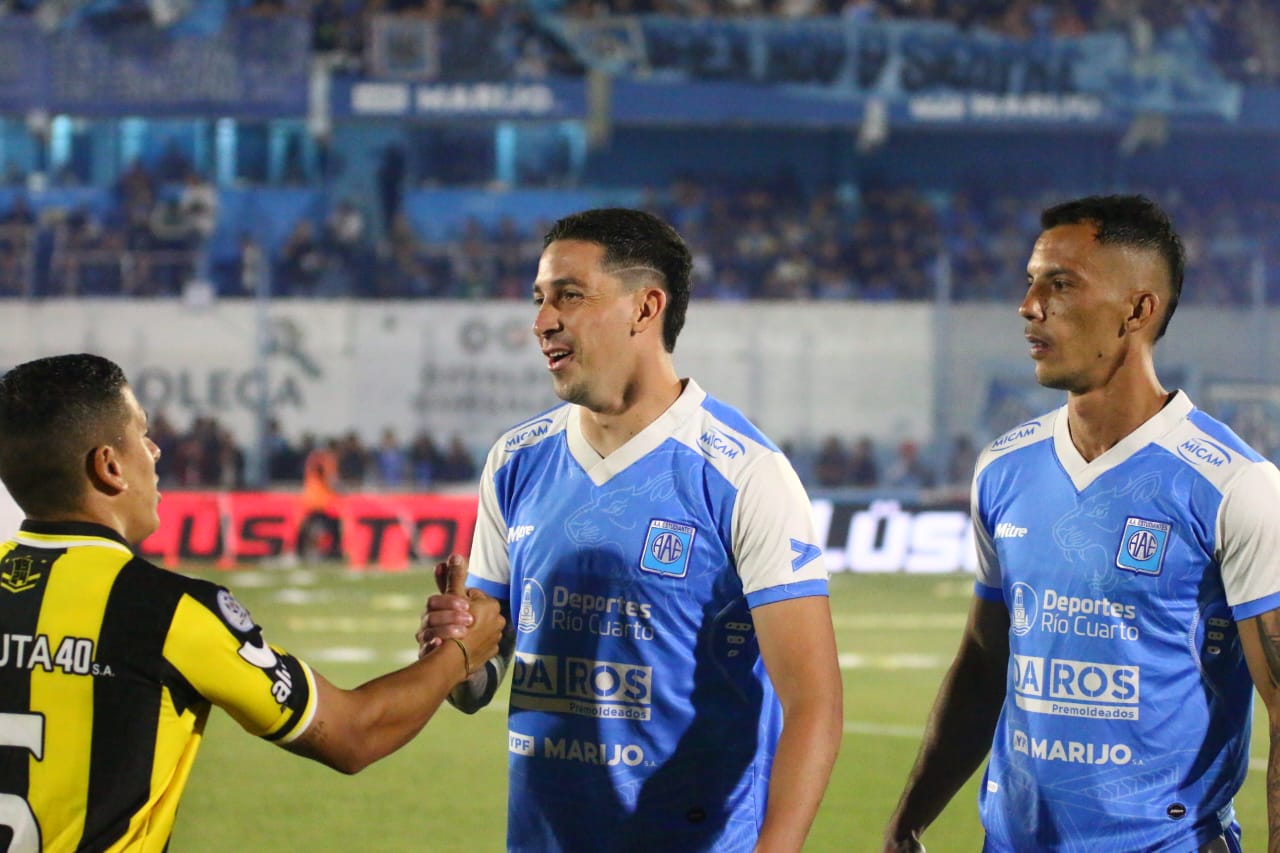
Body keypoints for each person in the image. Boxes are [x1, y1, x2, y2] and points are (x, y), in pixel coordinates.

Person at [417, 208, 843, 852]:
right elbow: (478, 681)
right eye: (539, 299)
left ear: (646, 308)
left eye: (569, 295)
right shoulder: (516, 461)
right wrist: (450, 651)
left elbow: (814, 703)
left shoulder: (744, 474)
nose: (542, 322)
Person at [883, 195, 1280, 852]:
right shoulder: (1004, 468)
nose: (1029, 304)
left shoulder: (1233, 485)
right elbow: (986, 661)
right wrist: (908, 821)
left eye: (1060, 284)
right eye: (1031, 280)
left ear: (1137, 309)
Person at [0, 353, 505, 853]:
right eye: (141, 434)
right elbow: (354, 733)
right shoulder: (172, 611)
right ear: (109, 465)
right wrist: (460, 654)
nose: (154, 451)